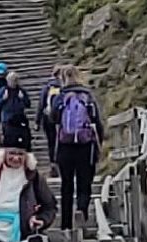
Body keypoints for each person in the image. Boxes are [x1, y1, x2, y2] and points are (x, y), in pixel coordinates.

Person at [48, 65, 105, 228]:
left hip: (65, 146)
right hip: (86, 146)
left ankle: (66, 223)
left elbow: (53, 118)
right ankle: (82, 214)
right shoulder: (88, 96)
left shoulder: (61, 96)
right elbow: (97, 121)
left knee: (66, 184)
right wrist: (99, 143)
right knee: (84, 182)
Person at [0, 71, 31, 141]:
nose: (13, 82)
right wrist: (3, 99)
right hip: (7, 119)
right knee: (8, 139)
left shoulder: (21, 90)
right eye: (11, 81)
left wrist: (22, 98)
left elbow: (28, 104)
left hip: (19, 119)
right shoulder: (3, 90)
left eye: (15, 80)